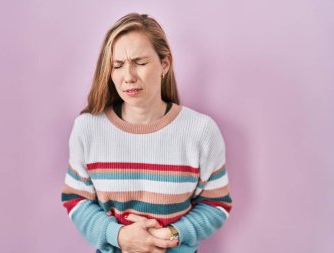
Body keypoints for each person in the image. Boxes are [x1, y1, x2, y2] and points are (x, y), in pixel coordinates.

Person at [61, 13, 233, 253]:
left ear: (165, 64)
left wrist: (172, 234)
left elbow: (216, 204)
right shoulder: (87, 128)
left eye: (140, 63)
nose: (128, 77)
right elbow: (76, 200)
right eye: (118, 65)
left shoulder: (201, 131)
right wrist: (119, 236)